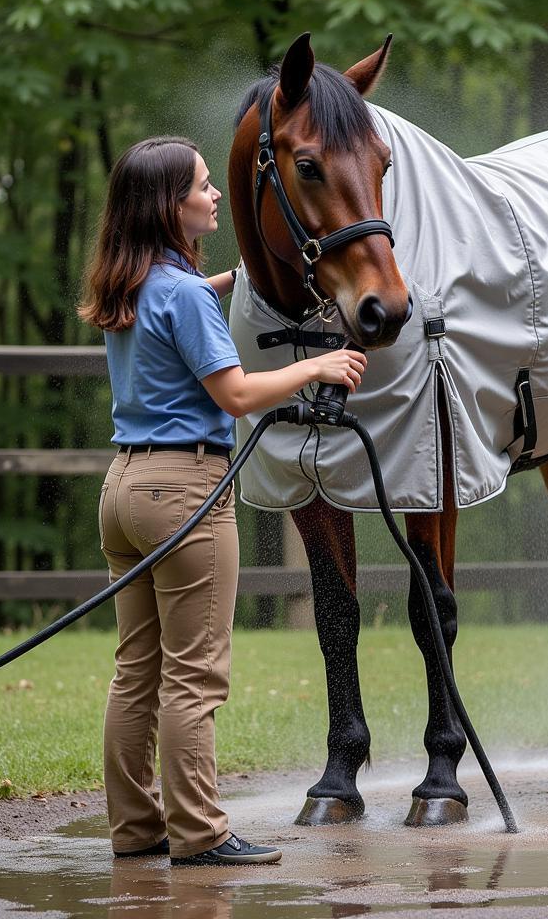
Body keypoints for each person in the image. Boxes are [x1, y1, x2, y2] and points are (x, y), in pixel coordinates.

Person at [78, 136, 366, 866]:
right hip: (185, 493)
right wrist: (318, 366)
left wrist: (237, 279)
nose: (215, 197)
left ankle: (136, 828)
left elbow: (182, 303)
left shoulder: (133, 281)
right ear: (170, 208)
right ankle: (202, 834)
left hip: (123, 490)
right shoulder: (181, 294)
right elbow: (235, 393)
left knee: (136, 669)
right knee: (195, 675)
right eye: (203, 188)